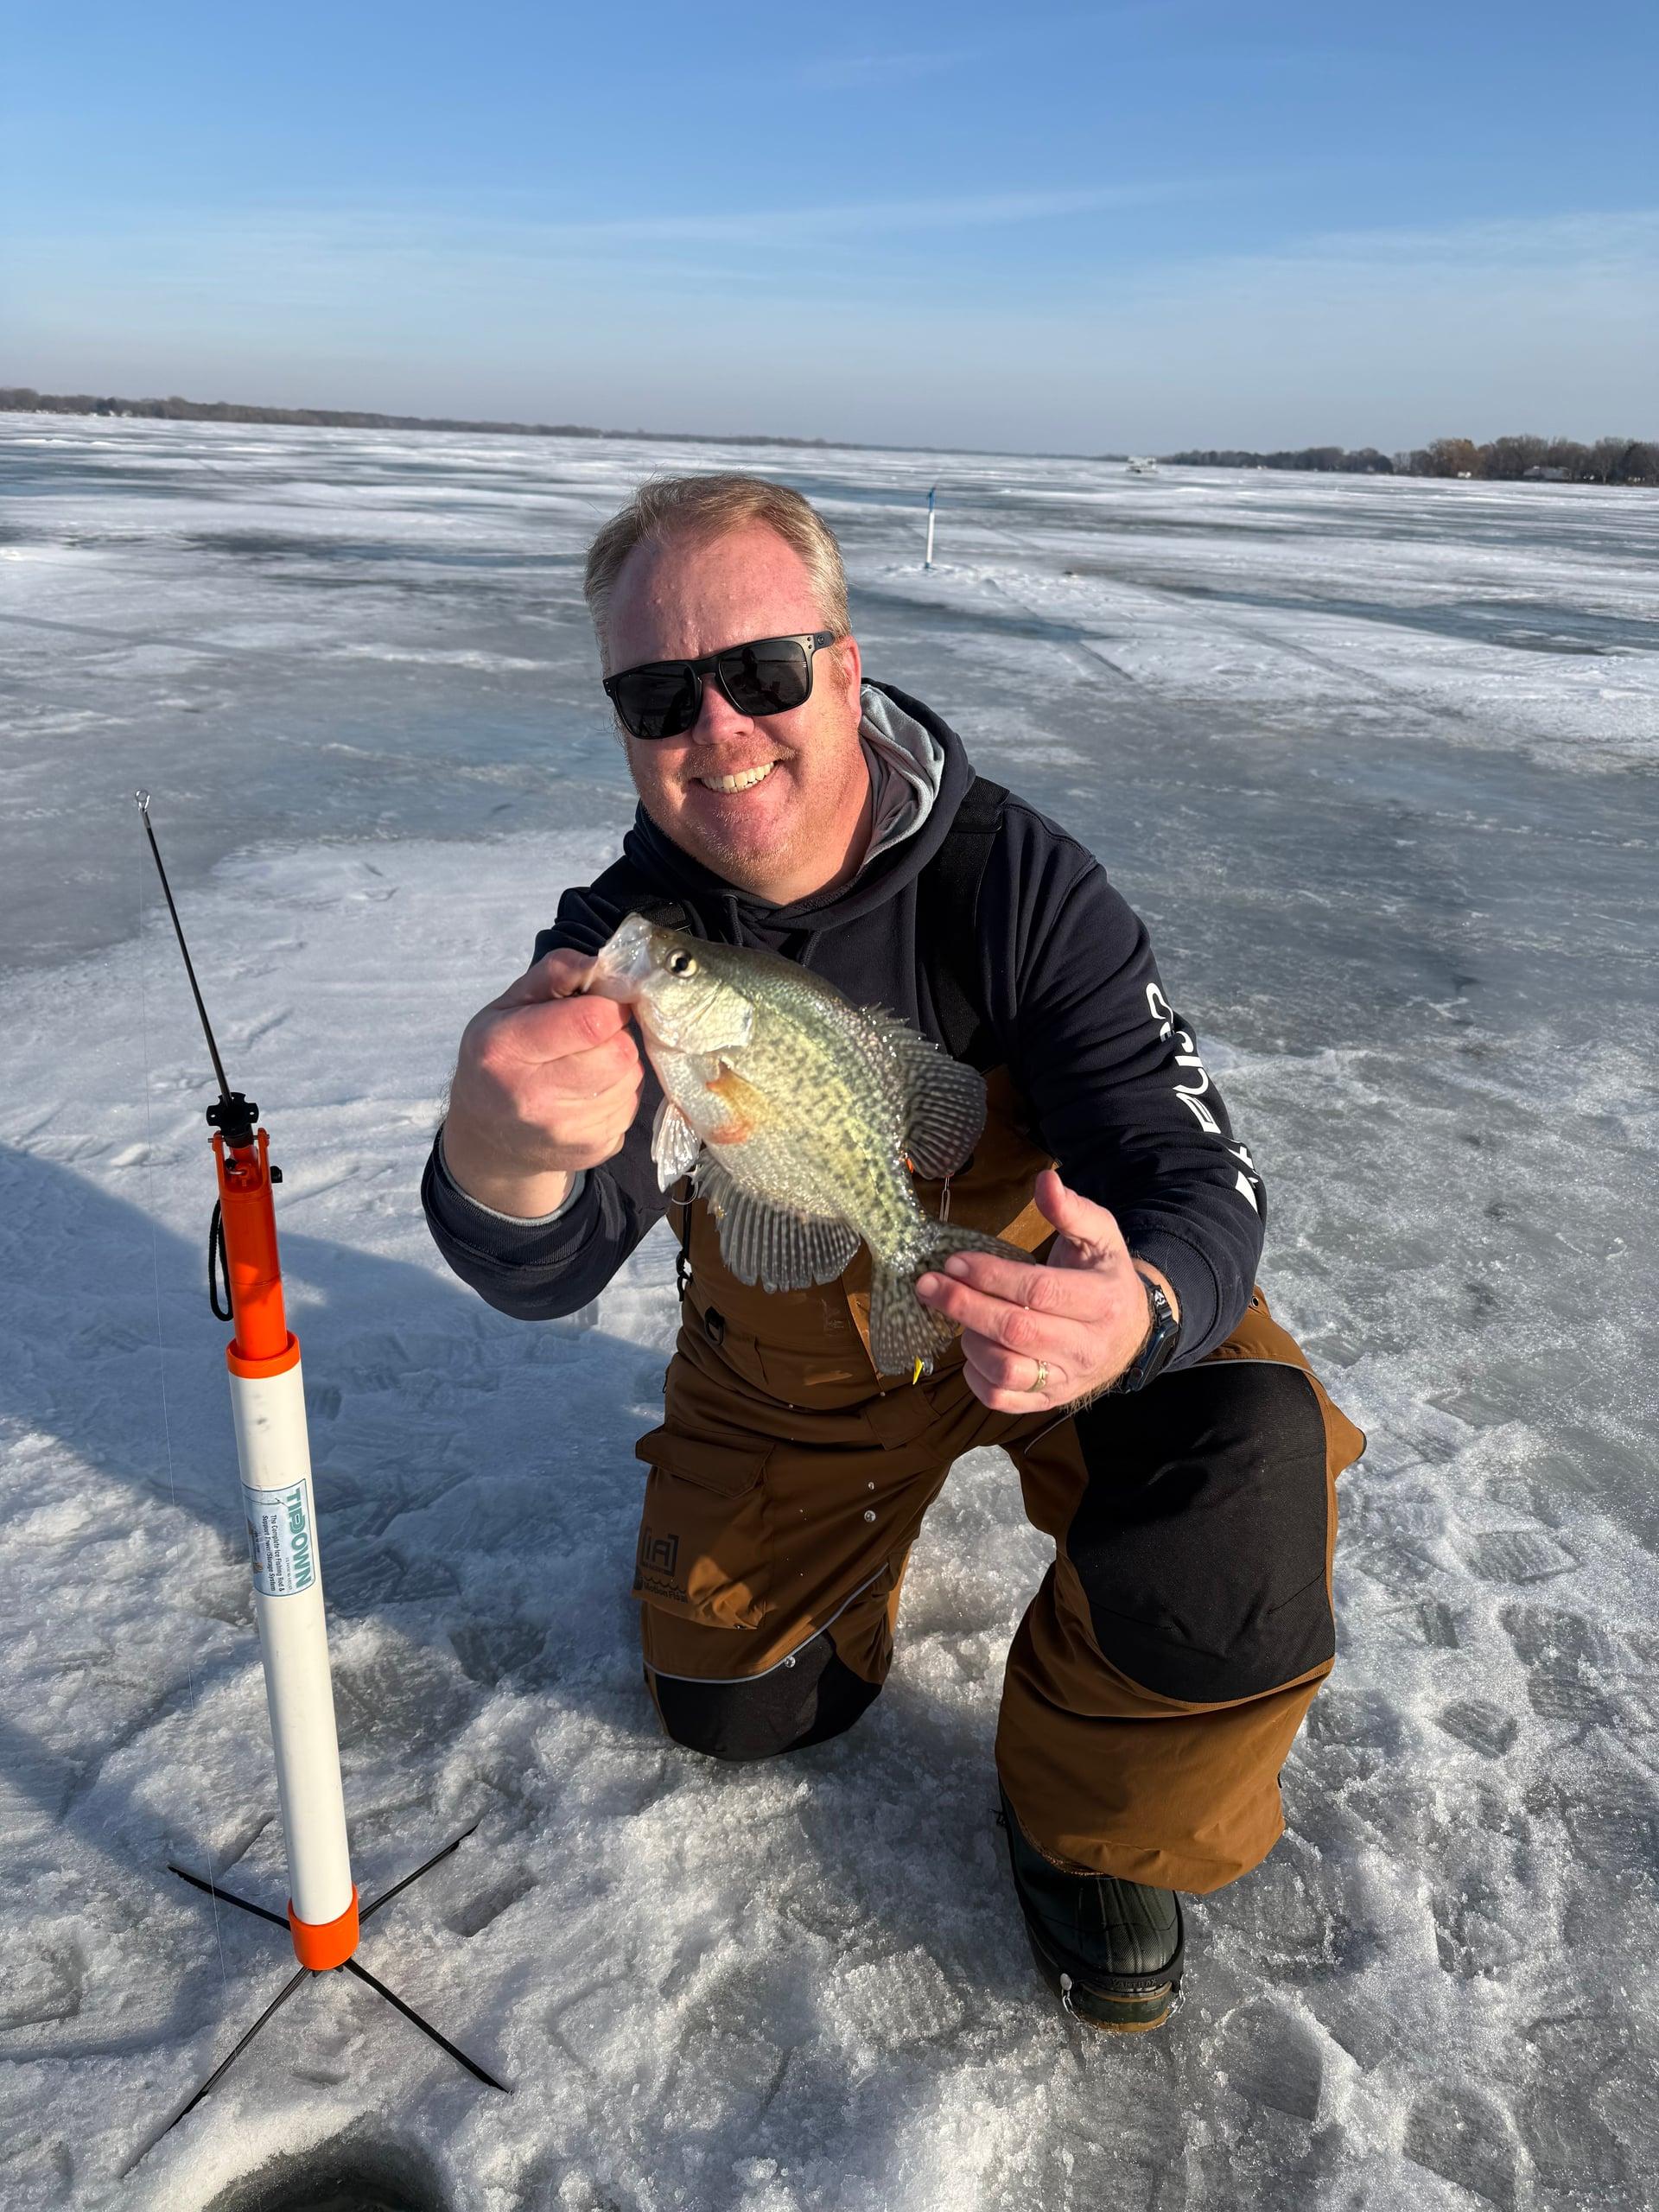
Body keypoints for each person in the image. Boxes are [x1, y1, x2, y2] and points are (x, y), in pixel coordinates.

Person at [423, 475, 1363, 2032]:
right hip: (804, 1358)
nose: (717, 728)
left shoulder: (1020, 884)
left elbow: (1187, 1166)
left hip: (1037, 1307)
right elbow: (548, 1266)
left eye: (764, 673)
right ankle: (850, 1558)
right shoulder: (626, 942)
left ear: (844, 671)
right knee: (738, 1712)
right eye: (659, 695)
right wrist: (503, 1153)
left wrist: (1132, 1311)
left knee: (1243, 1480)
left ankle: (1085, 1818)